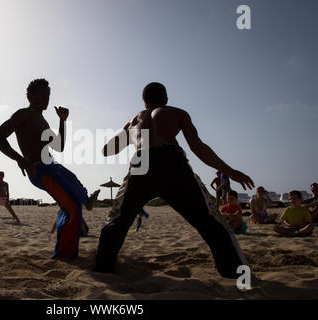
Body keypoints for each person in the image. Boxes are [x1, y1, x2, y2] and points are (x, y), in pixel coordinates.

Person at [93, 82, 254, 279]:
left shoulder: (134, 120)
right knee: (208, 219)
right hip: (172, 162)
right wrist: (229, 170)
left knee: (117, 220)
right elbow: (198, 147)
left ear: (144, 102)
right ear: (166, 99)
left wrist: (129, 132)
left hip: (141, 164)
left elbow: (107, 150)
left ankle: (103, 267)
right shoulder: (177, 112)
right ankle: (235, 271)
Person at [0, 78, 99, 259]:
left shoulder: (43, 120)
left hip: (52, 166)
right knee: (70, 206)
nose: (47, 99)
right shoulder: (22, 114)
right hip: (39, 170)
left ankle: (86, 201)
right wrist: (21, 160)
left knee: (73, 183)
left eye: (49, 95)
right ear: (31, 96)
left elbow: (59, 146)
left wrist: (62, 121)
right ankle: (65, 254)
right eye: (43, 95)